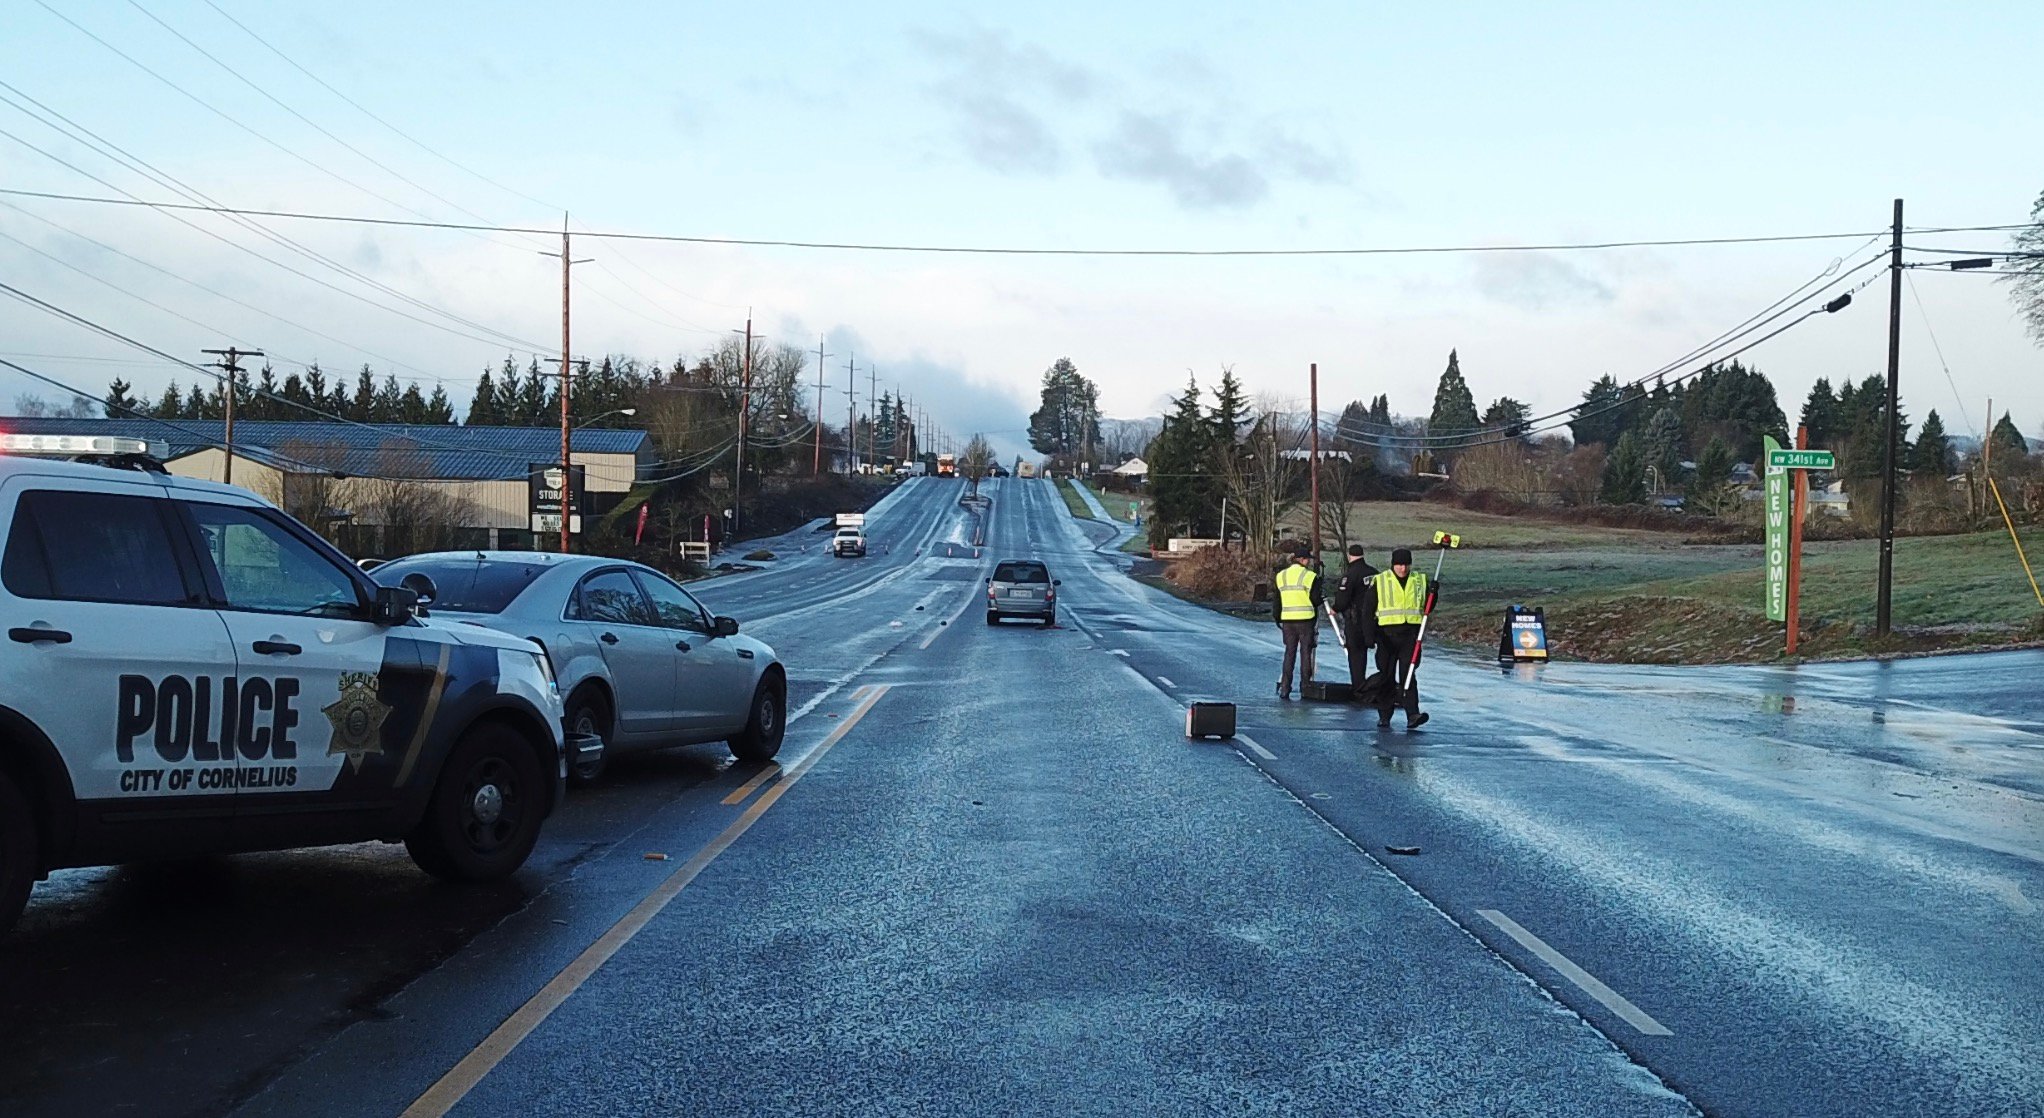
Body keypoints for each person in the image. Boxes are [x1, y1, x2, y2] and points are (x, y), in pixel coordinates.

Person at [1371, 547, 1430, 729]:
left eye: (1406, 565)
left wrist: (1434, 592)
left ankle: (1412, 714)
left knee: (1408, 675)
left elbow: (1427, 605)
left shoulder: (1419, 580)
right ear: (1393, 565)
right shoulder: (1381, 581)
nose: (1403, 569)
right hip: (1386, 636)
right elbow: (1368, 610)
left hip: (1410, 636)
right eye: (1399, 565)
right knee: (1386, 677)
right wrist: (1370, 636)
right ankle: (1384, 715)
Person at [1271, 543, 1322, 699]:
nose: (1309, 563)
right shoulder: (1310, 576)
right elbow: (1315, 599)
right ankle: (1305, 687)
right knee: (1306, 653)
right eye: (1307, 560)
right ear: (1302, 560)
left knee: (1289, 653)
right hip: (1305, 620)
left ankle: (1285, 687)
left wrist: (1277, 617)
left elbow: (1277, 600)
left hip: (1287, 620)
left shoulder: (1281, 576)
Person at [1330, 543, 1379, 703]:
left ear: (1350, 556)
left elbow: (1343, 600)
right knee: (1381, 655)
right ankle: (1383, 685)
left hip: (1355, 620)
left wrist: (1335, 608)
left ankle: (1359, 688)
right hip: (1375, 620)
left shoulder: (1349, 575)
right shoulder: (1374, 573)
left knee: (1356, 654)